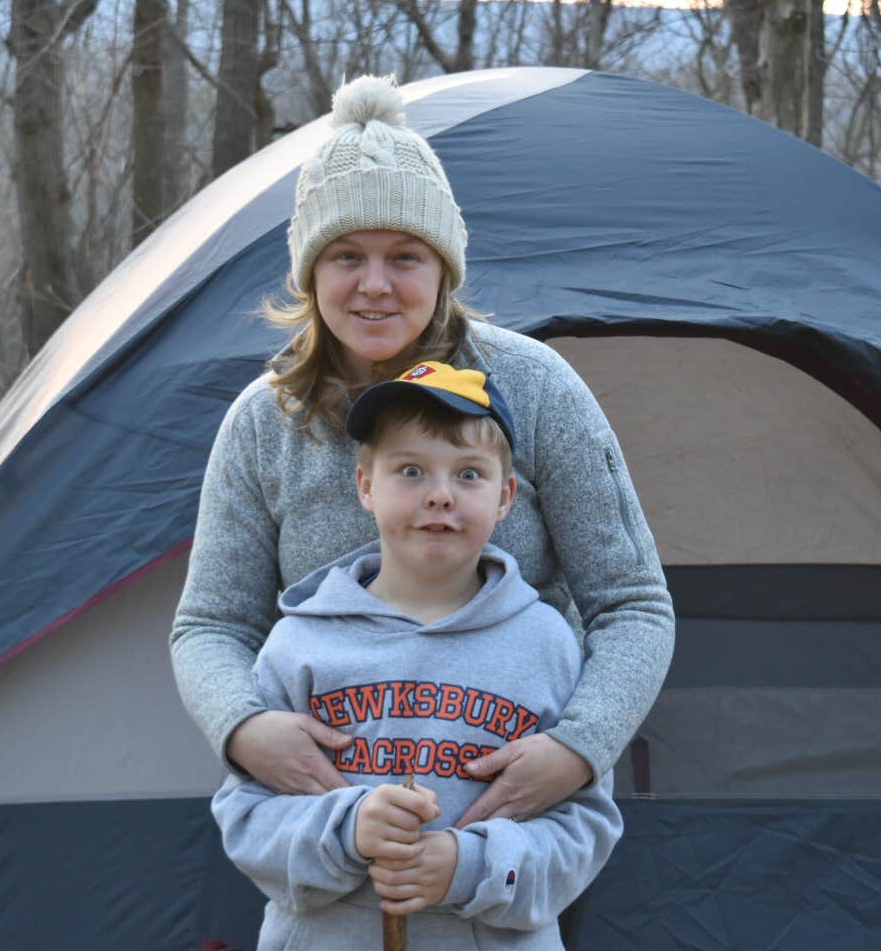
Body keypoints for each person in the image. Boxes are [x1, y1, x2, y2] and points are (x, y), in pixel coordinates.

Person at [171, 73, 672, 828]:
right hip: (328, 832)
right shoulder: (262, 423)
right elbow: (211, 623)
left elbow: (632, 603)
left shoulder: (533, 390)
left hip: (515, 835)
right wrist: (243, 726)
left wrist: (576, 748)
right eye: (346, 256)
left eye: (405, 255)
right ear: (310, 272)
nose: (375, 285)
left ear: (444, 270)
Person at [211, 364, 622, 947]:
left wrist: (469, 866)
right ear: (365, 487)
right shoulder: (297, 643)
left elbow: (585, 829)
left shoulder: (548, 644)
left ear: (506, 498)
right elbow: (247, 820)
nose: (439, 494)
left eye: (470, 474)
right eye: (410, 470)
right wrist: (348, 830)